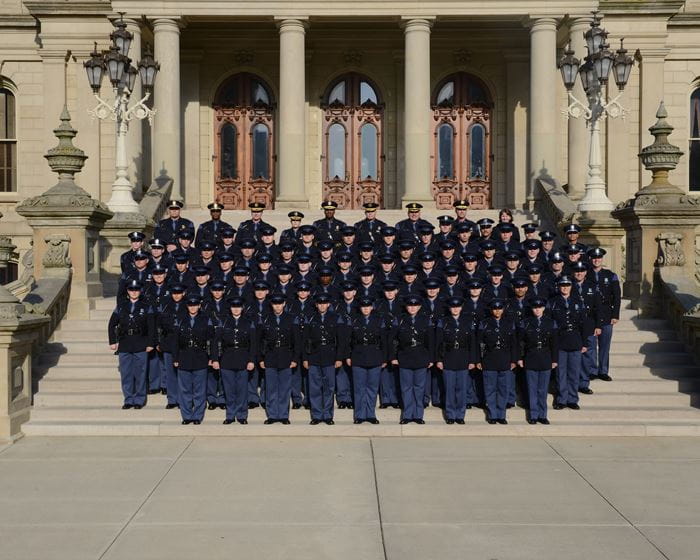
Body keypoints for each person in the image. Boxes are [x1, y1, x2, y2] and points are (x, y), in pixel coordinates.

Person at [108, 280, 155, 410]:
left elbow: (152, 327)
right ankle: (128, 399)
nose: (134, 292)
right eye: (131, 290)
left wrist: (151, 343)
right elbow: (112, 324)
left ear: (140, 291)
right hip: (125, 343)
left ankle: (139, 399)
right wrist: (113, 341)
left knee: (140, 373)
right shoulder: (121, 306)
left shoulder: (146, 306)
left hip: (141, 342)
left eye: (136, 290)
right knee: (126, 373)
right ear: (128, 292)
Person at [302, 293, 346, 425]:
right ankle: (316, 415)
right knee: (314, 388)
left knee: (329, 388)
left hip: (330, 356)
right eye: (319, 303)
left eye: (324, 303)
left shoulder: (336, 318)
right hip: (314, 356)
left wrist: (339, 358)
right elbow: (304, 340)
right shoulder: (310, 318)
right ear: (316, 305)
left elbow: (341, 340)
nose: (322, 305)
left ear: (328, 304)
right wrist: (305, 358)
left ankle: (327, 415)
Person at [173, 295, 217, 425]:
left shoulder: (206, 319)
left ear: (199, 306)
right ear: (187, 306)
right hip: (184, 357)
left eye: (195, 305)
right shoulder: (180, 319)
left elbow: (211, 340)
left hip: (200, 357)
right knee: (185, 389)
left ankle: (197, 415)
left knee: (199, 389)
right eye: (190, 305)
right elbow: (174, 341)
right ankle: (186, 416)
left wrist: (211, 357)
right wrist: (175, 358)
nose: (192, 307)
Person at [391, 295, 435, 424]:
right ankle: (407, 415)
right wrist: (393, 357)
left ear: (419, 307)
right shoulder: (399, 319)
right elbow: (393, 340)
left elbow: (431, 341)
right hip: (405, 357)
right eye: (410, 305)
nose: (412, 308)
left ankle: (418, 415)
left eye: (415, 305)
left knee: (419, 388)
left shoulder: (426, 320)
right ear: (406, 306)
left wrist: (431, 358)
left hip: (421, 357)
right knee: (406, 388)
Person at [550, 276, 590, 410]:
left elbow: (584, 324)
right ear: (559, 287)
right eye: (562, 285)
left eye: (567, 285)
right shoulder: (553, 302)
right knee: (561, 373)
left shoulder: (578, 301)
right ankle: (561, 399)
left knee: (574, 371)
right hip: (560, 341)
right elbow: (551, 324)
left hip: (575, 340)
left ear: (571, 287)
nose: (565, 288)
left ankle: (572, 399)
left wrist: (585, 343)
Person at [259, 294, 299, 424]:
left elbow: (297, 341)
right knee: (271, 388)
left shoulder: (291, 318)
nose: (277, 306)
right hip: (270, 357)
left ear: (284, 304)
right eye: (275, 304)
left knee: (284, 388)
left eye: (279, 303)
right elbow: (259, 340)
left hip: (286, 356)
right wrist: (260, 359)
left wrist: (295, 359)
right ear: (271, 305)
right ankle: (272, 415)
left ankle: (283, 415)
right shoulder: (265, 319)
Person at [435, 297, 476, 424]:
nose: (455, 309)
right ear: (449, 308)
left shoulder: (468, 321)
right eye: (453, 307)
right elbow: (438, 342)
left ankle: (460, 415)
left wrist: (472, 360)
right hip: (448, 357)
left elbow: (472, 343)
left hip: (463, 358)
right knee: (449, 388)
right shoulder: (444, 321)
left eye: (457, 307)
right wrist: (439, 360)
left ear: (461, 308)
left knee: (462, 389)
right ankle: (450, 415)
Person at [477, 299, 518, 424]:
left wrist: (514, 360)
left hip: (505, 360)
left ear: (503, 309)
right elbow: (479, 343)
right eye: (495, 309)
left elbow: (514, 344)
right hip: (489, 360)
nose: (497, 311)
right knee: (490, 389)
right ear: (491, 310)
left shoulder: (509, 323)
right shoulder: (484, 323)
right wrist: (478, 360)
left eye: (499, 308)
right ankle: (492, 414)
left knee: (503, 389)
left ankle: (501, 415)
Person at [347, 297, 387, 424]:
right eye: (363, 306)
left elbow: (384, 341)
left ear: (372, 307)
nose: (365, 308)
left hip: (375, 356)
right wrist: (348, 356)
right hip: (358, 356)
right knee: (359, 388)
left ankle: (370, 414)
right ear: (360, 308)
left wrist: (384, 358)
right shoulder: (353, 320)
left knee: (372, 387)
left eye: (368, 306)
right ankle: (359, 415)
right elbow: (347, 340)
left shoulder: (379, 320)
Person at [518, 298, 558, 424]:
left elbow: (554, 344)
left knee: (543, 389)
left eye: (539, 307)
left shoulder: (551, 323)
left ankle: (543, 415)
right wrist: (520, 358)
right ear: (532, 309)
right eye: (535, 307)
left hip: (545, 358)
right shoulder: (526, 323)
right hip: (531, 357)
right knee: (532, 388)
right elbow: (521, 343)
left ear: (544, 308)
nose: (537, 309)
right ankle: (533, 415)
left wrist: (554, 359)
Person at [218, 297, 257, 425]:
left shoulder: (248, 322)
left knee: (242, 389)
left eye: (238, 307)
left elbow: (253, 344)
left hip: (243, 359)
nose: (236, 309)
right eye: (233, 307)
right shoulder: (223, 321)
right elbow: (216, 342)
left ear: (242, 308)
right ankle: (230, 415)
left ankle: (241, 415)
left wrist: (251, 360)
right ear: (230, 308)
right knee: (228, 389)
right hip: (227, 359)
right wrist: (215, 359)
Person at [587, 247, 621, 382]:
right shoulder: (586, 274)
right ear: (590, 259)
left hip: (606, 314)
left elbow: (617, 296)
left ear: (602, 259)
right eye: (594, 258)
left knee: (605, 344)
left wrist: (615, 314)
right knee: (591, 345)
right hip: (590, 315)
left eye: (599, 258)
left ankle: (603, 370)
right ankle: (592, 370)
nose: (596, 260)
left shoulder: (610, 275)